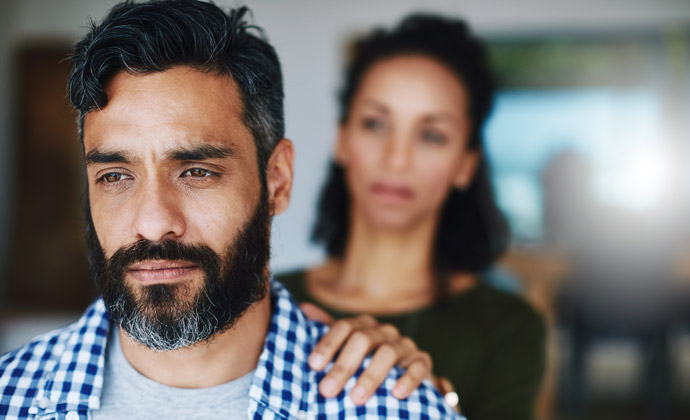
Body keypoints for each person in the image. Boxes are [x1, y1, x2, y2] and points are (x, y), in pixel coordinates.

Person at [0, 2, 461, 419]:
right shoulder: (10, 396)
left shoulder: (399, 411)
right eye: (116, 176)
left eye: (197, 171)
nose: (154, 221)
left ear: (277, 180)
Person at [278, 13, 546, 420]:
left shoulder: (509, 328)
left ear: (465, 165)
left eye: (431, 135)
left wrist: (433, 399)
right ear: (343, 139)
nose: (396, 158)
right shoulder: (265, 301)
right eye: (375, 123)